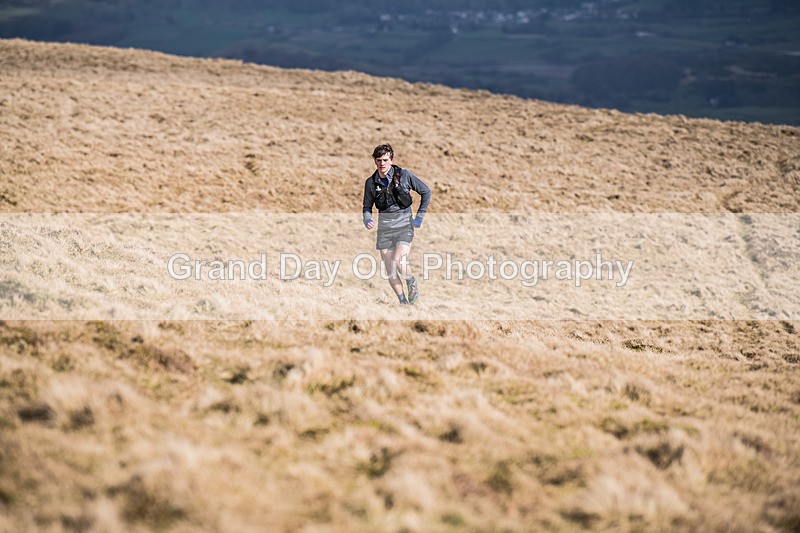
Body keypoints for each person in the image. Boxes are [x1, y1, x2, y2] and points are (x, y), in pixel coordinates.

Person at [362, 143, 431, 304]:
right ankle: (403, 302)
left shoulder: (404, 175)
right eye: (379, 160)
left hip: (404, 226)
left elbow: (426, 191)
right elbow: (366, 206)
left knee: (399, 260)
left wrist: (419, 217)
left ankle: (411, 281)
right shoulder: (371, 183)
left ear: (392, 160)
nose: (382, 163)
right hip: (384, 230)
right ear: (374, 161)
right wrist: (367, 219)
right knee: (390, 269)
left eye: (385, 160)